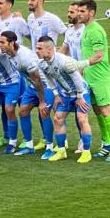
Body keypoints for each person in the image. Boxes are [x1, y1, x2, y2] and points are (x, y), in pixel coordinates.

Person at [74, 0, 110, 162]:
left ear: (91, 13)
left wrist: (81, 64)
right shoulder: (86, 29)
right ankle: (106, 144)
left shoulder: (95, 31)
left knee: (106, 110)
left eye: (82, 11)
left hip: (101, 78)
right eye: (78, 11)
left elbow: (99, 56)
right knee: (97, 111)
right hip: (89, 77)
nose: (79, 14)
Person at [35, 36, 93, 164]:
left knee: (82, 119)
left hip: (81, 92)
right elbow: (49, 80)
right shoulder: (41, 64)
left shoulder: (64, 62)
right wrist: (56, 95)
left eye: (39, 48)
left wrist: (79, 97)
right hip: (65, 94)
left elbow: (78, 80)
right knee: (57, 118)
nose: (36, 51)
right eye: (36, 48)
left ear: (49, 50)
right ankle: (61, 151)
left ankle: (86, 152)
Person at [0, 31, 54, 160]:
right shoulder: (9, 53)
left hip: (45, 86)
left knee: (44, 112)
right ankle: (29, 146)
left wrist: (41, 102)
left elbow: (38, 80)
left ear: (11, 43)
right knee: (23, 111)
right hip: (32, 86)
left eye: (2, 42)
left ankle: (50, 147)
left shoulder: (25, 57)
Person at [23, 0, 66, 153]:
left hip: (50, 69)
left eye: (32, 0)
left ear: (40, 1)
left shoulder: (52, 19)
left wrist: (59, 53)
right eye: (28, 0)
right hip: (36, 67)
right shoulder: (30, 18)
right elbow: (32, 37)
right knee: (37, 108)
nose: (29, 2)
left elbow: (66, 33)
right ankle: (45, 139)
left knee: (49, 108)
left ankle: (62, 141)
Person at [0, 0, 30, 147]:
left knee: (22, 105)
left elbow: (30, 35)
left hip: (18, 70)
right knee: (5, 105)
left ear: (9, 5)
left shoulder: (17, 21)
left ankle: (27, 139)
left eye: (1, 3)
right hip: (4, 71)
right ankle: (7, 135)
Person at [60, 1, 87, 155]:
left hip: (84, 74)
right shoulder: (69, 30)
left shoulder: (85, 31)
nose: (69, 15)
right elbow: (64, 50)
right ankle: (61, 141)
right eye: (68, 12)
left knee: (82, 111)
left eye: (72, 12)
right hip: (72, 74)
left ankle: (85, 140)